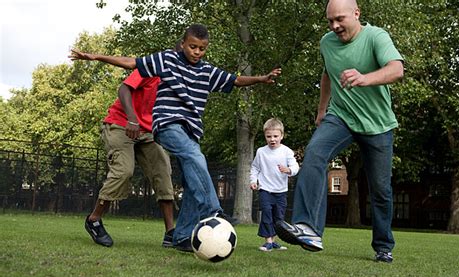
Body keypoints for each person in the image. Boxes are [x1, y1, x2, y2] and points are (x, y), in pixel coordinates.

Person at [70, 24, 281, 252]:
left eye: (201, 48)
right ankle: (212, 210)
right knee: (186, 158)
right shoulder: (165, 61)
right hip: (154, 124)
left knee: (185, 178)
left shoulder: (206, 71)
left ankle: (179, 236)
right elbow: (130, 64)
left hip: (177, 130)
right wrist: (96, 57)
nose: (196, 52)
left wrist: (261, 78)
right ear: (182, 45)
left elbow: (234, 80)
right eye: (192, 47)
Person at [275, 0, 404, 263]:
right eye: (330, 21)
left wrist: (365, 78)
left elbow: (396, 69)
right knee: (313, 154)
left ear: (357, 14)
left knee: (380, 190)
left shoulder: (376, 37)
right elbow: (327, 74)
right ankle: (308, 229)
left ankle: (383, 246)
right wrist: (322, 109)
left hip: (377, 124)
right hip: (340, 116)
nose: (335, 26)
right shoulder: (327, 42)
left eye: (340, 19)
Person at [84, 68, 175, 248]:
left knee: (163, 172)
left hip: (149, 131)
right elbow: (123, 89)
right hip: (121, 124)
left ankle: (171, 234)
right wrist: (132, 118)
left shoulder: (181, 80)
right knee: (124, 171)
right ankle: (94, 220)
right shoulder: (151, 68)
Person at [250, 118, 299, 252]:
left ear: (282, 136)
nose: (272, 139)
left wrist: (289, 170)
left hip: (281, 191)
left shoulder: (287, 151)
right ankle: (268, 242)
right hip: (265, 189)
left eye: (275, 136)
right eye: (269, 136)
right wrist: (253, 181)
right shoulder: (261, 152)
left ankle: (274, 241)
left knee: (278, 217)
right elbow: (255, 168)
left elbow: (295, 166)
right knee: (266, 213)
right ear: (265, 136)